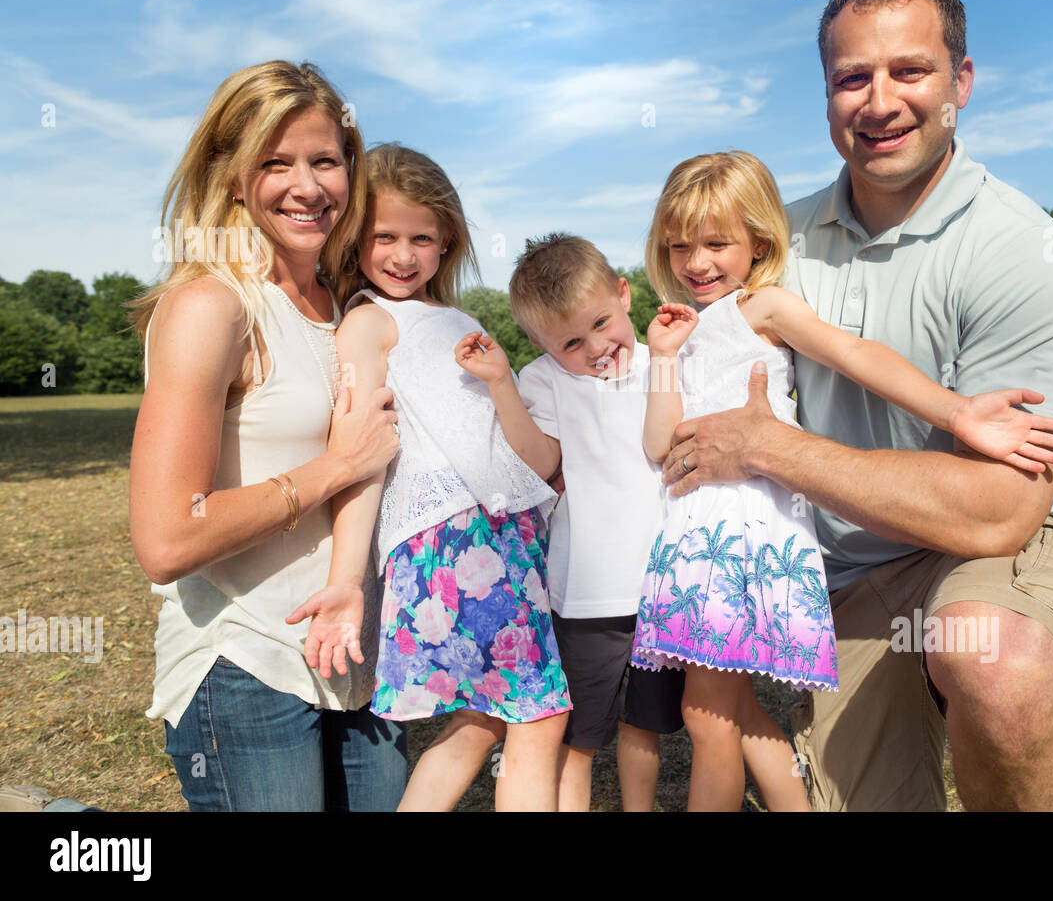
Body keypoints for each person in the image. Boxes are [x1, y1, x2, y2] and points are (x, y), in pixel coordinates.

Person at [660, 0, 1053, 811]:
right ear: (826, 94)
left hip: (982, 552)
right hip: (838, 578)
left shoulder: (1022, 246)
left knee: (997, 659)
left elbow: (999, 511)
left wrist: (768, 448)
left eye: (910, 71)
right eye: (851, 77)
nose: (879, 101)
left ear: (961, 82)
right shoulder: (766, 242)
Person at [634, 149, 1053, 811]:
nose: (696, 263)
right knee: (731, 712)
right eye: (677, 247)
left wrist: (959, 411)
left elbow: (856, 355)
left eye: (715, 244)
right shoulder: (681, 329)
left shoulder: (763, 308)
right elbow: (659, 445)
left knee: (708, 717)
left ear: (758, 242)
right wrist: (664, 361)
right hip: (694, 542)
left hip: (743, 538)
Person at [129, 60, 407, 811]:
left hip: (353, 655)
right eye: (274, 163)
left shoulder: (347, 307)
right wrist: (337, 465)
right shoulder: (212, 307)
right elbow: (165, 539)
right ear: (229, 175)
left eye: (325, 160)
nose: (307, 187)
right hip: (245, 661)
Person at [294, 143, 569, 812]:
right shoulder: (367, 322)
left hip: (507, 537)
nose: (402, 254)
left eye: (422, 237)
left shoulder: (457, 321)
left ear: (447, 242)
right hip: (454, 543)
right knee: (538, 718)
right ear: (355, 240)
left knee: (482, 723)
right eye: (383, 236)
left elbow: (515, 446)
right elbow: (362, 454)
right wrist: (344, 577)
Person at [508, 233, 689, 812]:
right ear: (539, 344)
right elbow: (542, 463)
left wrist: (661, 362)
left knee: (644, 728)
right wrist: (495, 384)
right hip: (586, 597)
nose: (594, 348)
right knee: (579, 739)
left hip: (660, 587)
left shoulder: (663, 362)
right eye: (570, 341)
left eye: (602, 323)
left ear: (623, 293)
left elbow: (663, 447)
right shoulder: (542, 380)